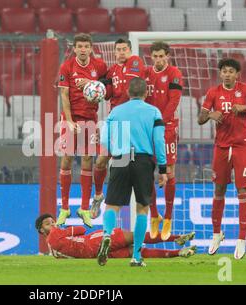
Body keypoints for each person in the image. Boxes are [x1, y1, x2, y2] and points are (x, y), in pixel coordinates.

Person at [198, 58, 246, 260]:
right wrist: (211, 115)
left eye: (231, 71)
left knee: (242, 190)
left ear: (237, 74)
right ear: (220, 74)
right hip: (221, 147)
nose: (227, 74)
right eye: (224, 71)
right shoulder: (213, 92)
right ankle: (217, 234)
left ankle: (240, 239)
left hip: (242, 146)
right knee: (219, 189)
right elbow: (200, 119)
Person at [97, 77, 167, 267]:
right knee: (142, 208)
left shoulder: (116, 111)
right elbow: (160, 141)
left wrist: (106, 155)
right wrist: (163, 168)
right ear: (146, 93)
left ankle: (106, 234)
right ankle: (136, 256)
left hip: (120, 158)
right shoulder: (153, 112)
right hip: (142, 160)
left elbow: (104, 138)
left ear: (128, 93)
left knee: (112, 205)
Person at [91, 38, 147, 219]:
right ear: (114, 52)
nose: (121, 52)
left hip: (133, 123)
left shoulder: (135, 62)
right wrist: (96, 88)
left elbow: (129, 90)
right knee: (100, 161)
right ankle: (98, 195)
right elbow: (107, 96)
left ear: (130, 50)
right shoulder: (112, 71)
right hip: (115, 123)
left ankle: (144, 208)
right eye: (118, 50)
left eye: (124, 49)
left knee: (130, 166)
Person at [56, 33, 108, 228]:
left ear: (91, 48)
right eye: (80, 46)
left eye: (87, 46)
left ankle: (84, 208)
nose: (83, 49)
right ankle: (65, 207)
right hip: (71, 118)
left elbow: (109, 85)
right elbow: (64, 94)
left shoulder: (100, 66)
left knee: (88, 158)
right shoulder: (67, 67)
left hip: (90, 118)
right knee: (67, 157)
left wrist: (95, 85)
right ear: (75, 48)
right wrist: (69, 121)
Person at [145, 41, 184, 241]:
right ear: (151, 57)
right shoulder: (146, 74)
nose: (159, 59)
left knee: (169, 171)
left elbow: (174, 101)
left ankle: (168, 217)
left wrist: (160, 121)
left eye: (162, 56)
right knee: (147, 170)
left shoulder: (175, 73)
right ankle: (154, 215)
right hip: (148, 127)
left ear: (167, 56)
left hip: (167, 126)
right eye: (155, 56)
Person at [35, 214, 196, 259]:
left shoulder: (53, 252)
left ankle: (177, 253)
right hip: (94, 240)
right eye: (48, 224)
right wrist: (64, 229)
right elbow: (80, 230)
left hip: (96, 255)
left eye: (53, 222)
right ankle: (176, 238)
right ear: (42, 230)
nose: (54, 225)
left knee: (138, 253)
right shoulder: (55, 234)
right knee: (135, 236)